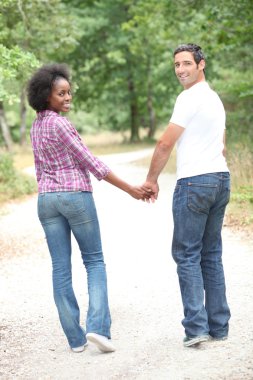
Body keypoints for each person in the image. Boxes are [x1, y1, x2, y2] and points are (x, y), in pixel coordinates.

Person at [27, 63, 152, 353]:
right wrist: (131, 189)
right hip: (74, 196)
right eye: (62, 93)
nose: (68, 97)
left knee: (60, 268)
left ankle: (75, 340)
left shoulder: (36, 125)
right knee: (94, 261)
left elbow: (38, 169)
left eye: (69, 92)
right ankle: (98, 328)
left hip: (46, 200)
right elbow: (91, 163)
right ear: (47, 95)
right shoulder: (60, 124)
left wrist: (48, 192)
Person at [142, 44, 231, 347]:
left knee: (187, 255)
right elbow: (222, 143)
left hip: (194, 182)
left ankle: (196, 328)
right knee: (211, 254)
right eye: (176, 65)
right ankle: (219, 326)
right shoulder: (215, 99)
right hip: (221, 179)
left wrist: (151, 179)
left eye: (186, 64)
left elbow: (165, 143)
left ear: (201, 65)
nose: (180, 70)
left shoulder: (188, 98)